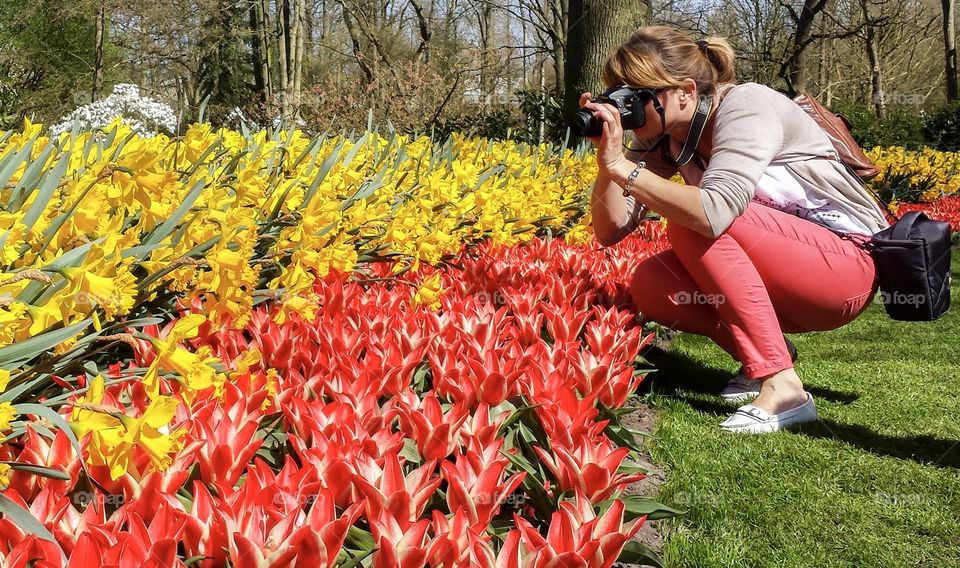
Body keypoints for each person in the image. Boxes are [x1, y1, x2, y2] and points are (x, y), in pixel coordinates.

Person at [581, 26, 889, 433]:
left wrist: (624, 168)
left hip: (845, 268)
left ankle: (784, 388)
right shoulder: (663, 133)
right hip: (787, 268)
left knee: (694, 222)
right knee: (653, 283)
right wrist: (609, 165)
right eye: (619, 94)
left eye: (638, 96)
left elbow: (713, 212)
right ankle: (768, 354)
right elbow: (611, 229)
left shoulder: (748, 105)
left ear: (686, 91)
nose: (627, 107)